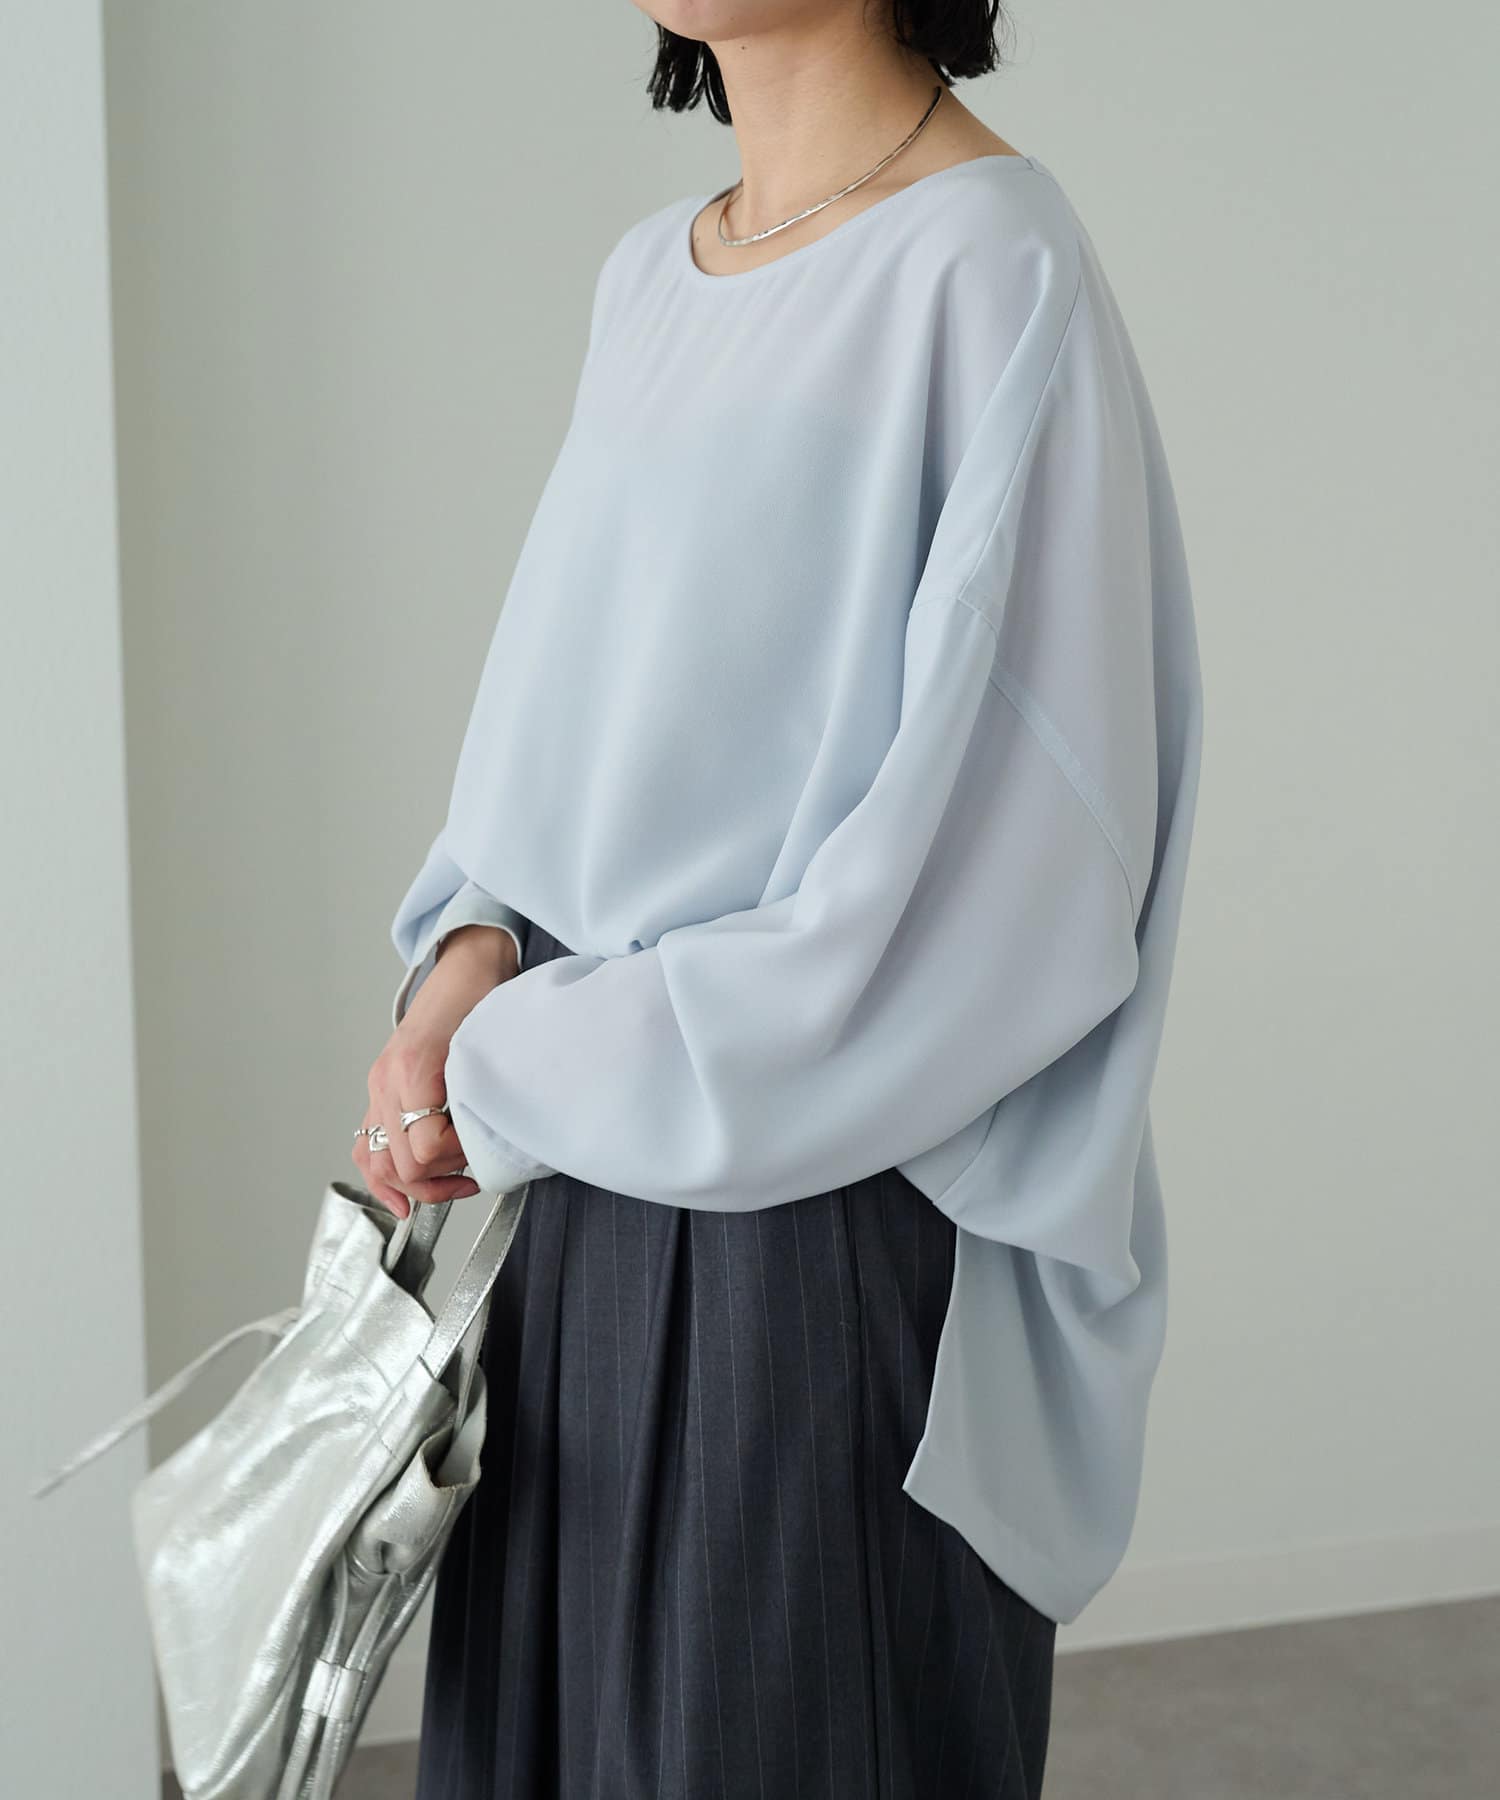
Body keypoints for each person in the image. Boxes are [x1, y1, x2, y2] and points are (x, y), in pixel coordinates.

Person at [352, 6, 1203, 1796]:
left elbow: (1017, 876)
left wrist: (522, 1053)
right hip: (576, 1186)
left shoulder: (992, 262)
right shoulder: (647, 279)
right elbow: (579, 731)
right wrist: (471, 952)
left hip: (815, 1210)